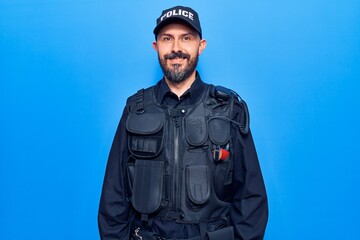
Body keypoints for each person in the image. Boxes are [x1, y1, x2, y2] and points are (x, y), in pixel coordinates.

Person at [98, 6, 268, 240]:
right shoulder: (135, 110)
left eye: (186, 38)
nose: (176, 48)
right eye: (167, 39)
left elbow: (251, 197)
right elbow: (113, 197)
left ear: (201, 45)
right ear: (156, 47)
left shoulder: (229, 110)